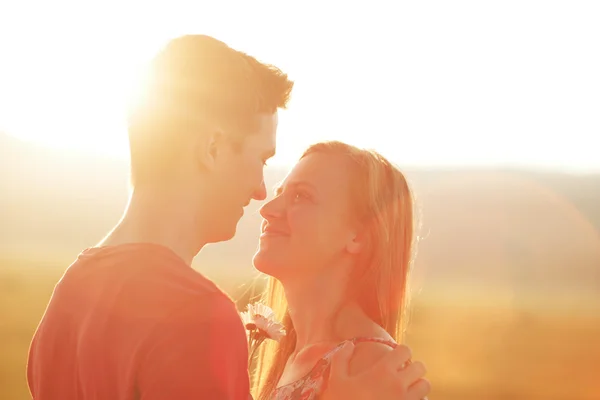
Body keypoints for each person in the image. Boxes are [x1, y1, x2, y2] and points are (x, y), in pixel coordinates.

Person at [26, 35, 428, 399]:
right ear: (213, 148)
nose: (260, 194)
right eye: (260, 159)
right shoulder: (197, 317)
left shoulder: (69, 294)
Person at [252, 141, 430, 400]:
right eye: (280, 193)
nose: (267, 210)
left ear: (358, 235)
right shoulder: (292, 357)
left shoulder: (375, 368)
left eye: (301, 196)